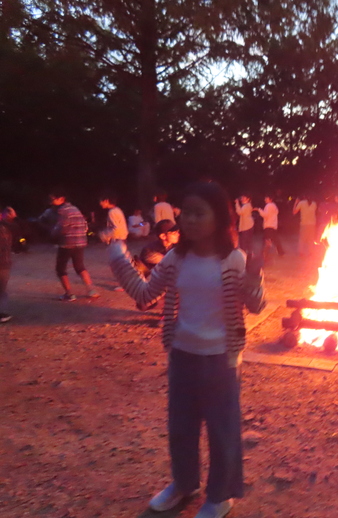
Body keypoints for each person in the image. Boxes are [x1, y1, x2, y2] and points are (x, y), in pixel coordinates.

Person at [108, 181, 265, 518]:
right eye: (186, 213)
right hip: (182, 352)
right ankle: (184, 483)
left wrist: (254, 278)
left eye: (199, 213)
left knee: (222, 430)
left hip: (222, 358)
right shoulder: (175, 259)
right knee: (181, 426)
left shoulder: (234, 260)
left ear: (220, 218)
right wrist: (119, 259)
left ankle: (220, 495)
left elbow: (256, 307)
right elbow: (145, 294)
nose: (189, 220)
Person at [49, 189, 99, 301]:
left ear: (61, 199)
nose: (51, 202)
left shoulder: (62, 211)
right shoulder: (75, 209)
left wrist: (53, 233)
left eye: (53, 199)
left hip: (67, 243)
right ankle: (92, 290)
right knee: (80, 267)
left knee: (60, 269)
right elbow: (85, 226)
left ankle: (69, 294)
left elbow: (62, 228)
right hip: (80, 242)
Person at [0, 210, 12, 322]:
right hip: (4, 264)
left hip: (3, 263)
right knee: (2, 290)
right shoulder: (6, 228)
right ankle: (1, 313)